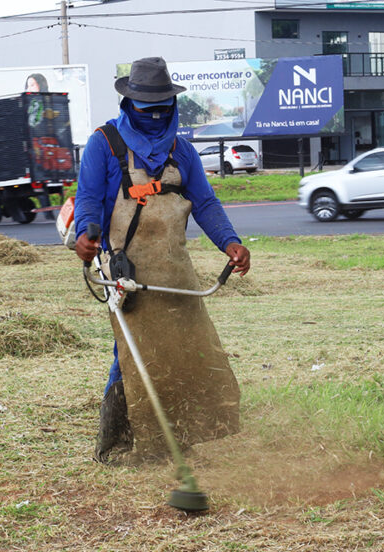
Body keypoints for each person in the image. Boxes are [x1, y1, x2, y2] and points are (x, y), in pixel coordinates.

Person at [74, 56, 251, 463]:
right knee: (133, 354)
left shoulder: (181, 150)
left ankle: (183, 436)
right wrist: (85, 234)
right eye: (145, 108)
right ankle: (116, 442)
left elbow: (205, 202)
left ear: (172, 104)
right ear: (128, 103)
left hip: (176, 272)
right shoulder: (104, 144)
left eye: (161, 108)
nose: (154, 115)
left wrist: (231, 242)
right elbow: (87, 200)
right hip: (126, 274)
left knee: (187, 351)